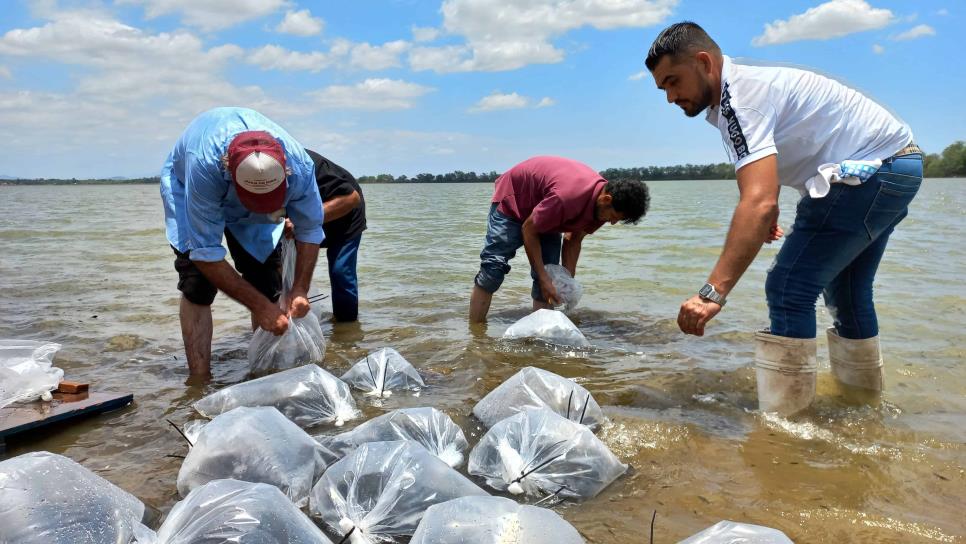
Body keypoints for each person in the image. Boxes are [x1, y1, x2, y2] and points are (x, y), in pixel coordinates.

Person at [645, 22, 922, 414]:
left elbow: (757, 202)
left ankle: (789, 426)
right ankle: (861, 407)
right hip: (897, 167)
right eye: (663, 89)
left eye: (674, 81)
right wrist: (764, 214)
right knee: (847, 292)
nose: (671, 97)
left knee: (788, 286)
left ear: (704, 62)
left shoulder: (739, 98)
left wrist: (711, 294)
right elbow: (766, 194)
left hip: (871, 172)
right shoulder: (738, 95)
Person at [160, 107, 325, 377]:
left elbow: (309, 229)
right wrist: (259, 307)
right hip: (187, 188)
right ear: (228, 168)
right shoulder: (203, 166)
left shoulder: (301, 166)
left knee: (265, 278)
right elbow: (205, 253)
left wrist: (300, 289)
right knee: (197, 284)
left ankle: (264, 372)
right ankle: (200, 380)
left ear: (285, 170)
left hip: (250, 194)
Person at [470, 156, 650, 323]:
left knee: (552, 279)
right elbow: (529, 229)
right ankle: (475, 336)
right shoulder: (568, 197)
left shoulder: (600, 208)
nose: (612, 223)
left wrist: (566, 281)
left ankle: (539, 341)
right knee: (493, 268)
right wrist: (542, 278)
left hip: (547, 209)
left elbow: (573, 239)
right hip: (514, 198)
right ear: (606, 199)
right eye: (614, 217)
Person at [304, 149, 366, 322]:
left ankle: (346, 330)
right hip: (302, 218)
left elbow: (351, 198)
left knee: (341, 272)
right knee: (283, 274)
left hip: (346, 214)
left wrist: (300, 223)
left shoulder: (305, 164)